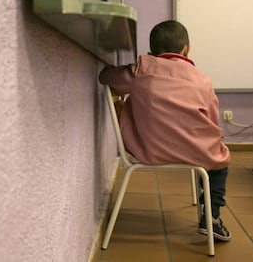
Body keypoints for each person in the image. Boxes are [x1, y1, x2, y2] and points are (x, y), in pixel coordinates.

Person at [99, 20, 231, 241]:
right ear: (186, 49)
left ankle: (210, 211)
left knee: (124, 105)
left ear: (151, 50)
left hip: (147, 150)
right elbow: (212, 122)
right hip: (195, 154)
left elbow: (106, 78)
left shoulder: (141, 71)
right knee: (220, 160)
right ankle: (212, 217)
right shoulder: (203, 80)